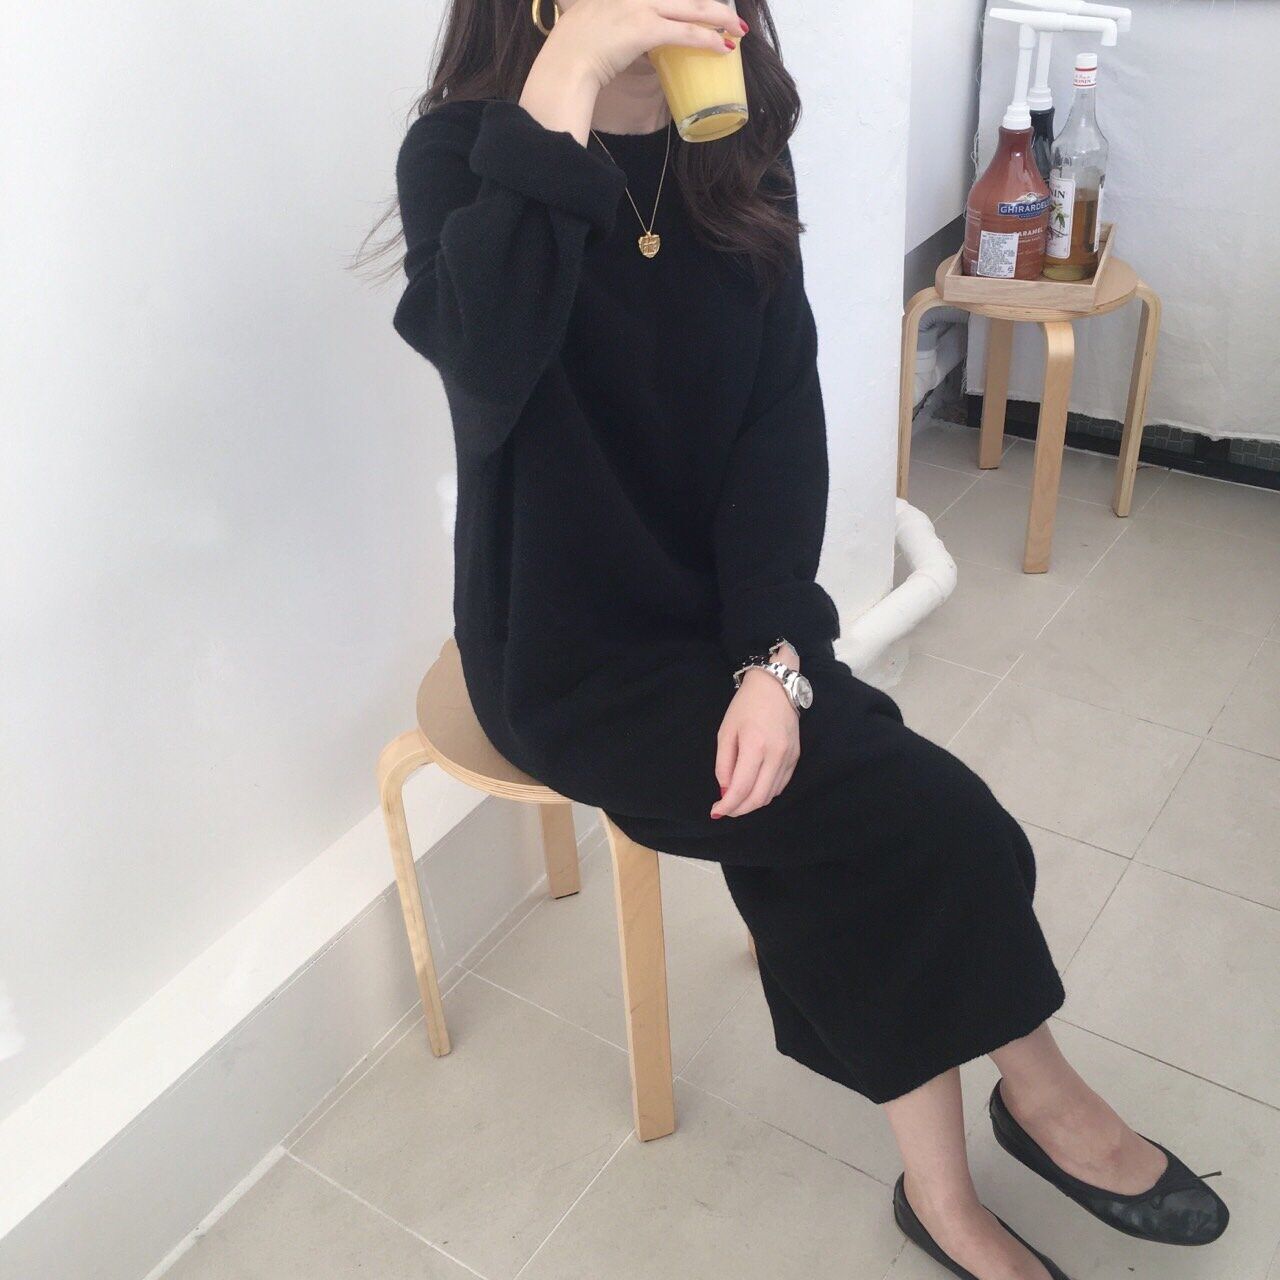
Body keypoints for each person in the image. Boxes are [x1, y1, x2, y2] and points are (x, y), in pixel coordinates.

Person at [371, 2, 1229, 1275]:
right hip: (563, 647)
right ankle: (1038, 1099)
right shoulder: (463, 154)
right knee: (932, 824)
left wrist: (773, 658)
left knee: (856, 839)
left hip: (726, 612)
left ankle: (944, 1189)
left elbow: (775, 425)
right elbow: (485, 360)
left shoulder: (734, 141)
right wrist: (568, 75)